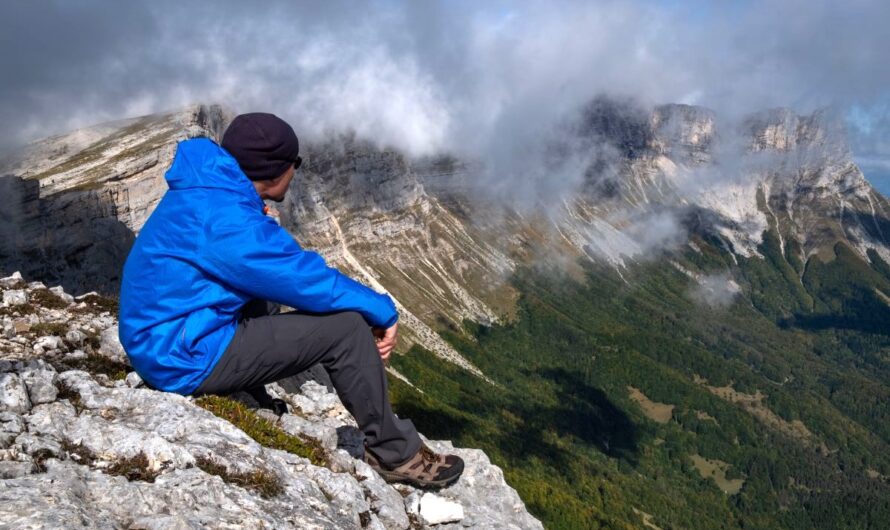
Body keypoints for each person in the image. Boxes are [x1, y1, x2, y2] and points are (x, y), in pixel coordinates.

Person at [118, 112, 463, 488]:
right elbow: (303, 279)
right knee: (345, 328)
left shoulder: (209, 190)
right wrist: (383, 309)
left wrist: (254, 213)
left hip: (168, 333)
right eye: (295, 163)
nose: (296, 172)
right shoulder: (229, 224)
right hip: (180, 356)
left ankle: (244, 387)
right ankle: (394, 453)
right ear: (277, 170)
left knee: (266, 296)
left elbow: (259, 265)